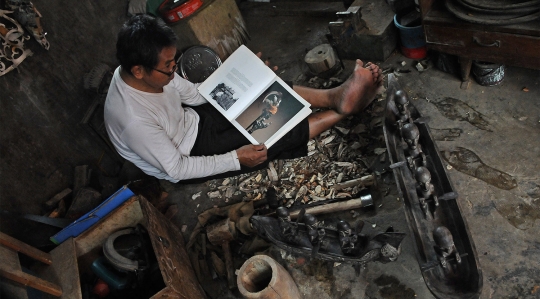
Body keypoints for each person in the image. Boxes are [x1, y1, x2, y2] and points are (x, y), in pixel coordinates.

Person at [104, 15, 383, 184]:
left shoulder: (147, 69)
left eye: (173, 62)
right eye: (167, 67)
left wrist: (244, 79)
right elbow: (177, 168)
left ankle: (336, 96)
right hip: (189, 151)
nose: (173, 70)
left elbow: (193, 95)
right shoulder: (134, 121)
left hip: (191, 119)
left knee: (263, 90)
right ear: (139, 71)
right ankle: (347, 109)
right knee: (268, 138)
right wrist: (235, 158)